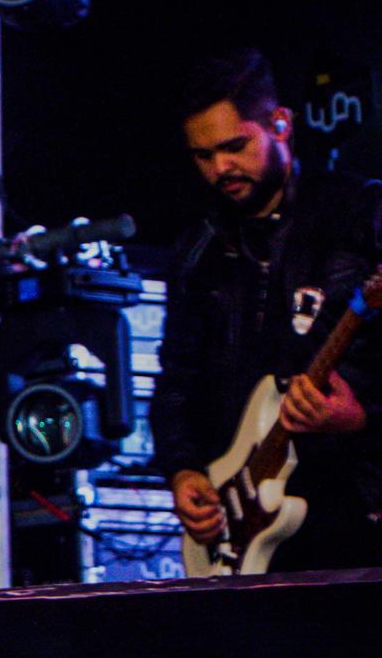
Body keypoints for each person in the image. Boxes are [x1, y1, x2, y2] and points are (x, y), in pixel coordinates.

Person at [154, 47, 382, 570]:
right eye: (203, 156)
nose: (221, 168)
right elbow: (176, 380)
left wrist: (363, 417)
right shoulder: (199, 252)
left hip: (357, 512)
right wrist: (182, 470)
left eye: (235, 146)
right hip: (248, 527)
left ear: (281, 123)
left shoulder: (359, 215)